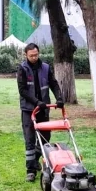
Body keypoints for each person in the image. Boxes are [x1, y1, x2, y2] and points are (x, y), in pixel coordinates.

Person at [17, 43, 64, 182]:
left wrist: (59, 98)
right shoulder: (22, 69)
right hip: (28, 109)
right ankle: (30, 171)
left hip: (43, 109)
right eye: (31, 55)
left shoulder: (45, 68)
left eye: (36, 55)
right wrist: (36, 102)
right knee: (30, 139)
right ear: (26, 55)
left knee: (45, 137)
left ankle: (36, 160)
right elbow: (23, 90)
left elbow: (53, 84)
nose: (34, 57)